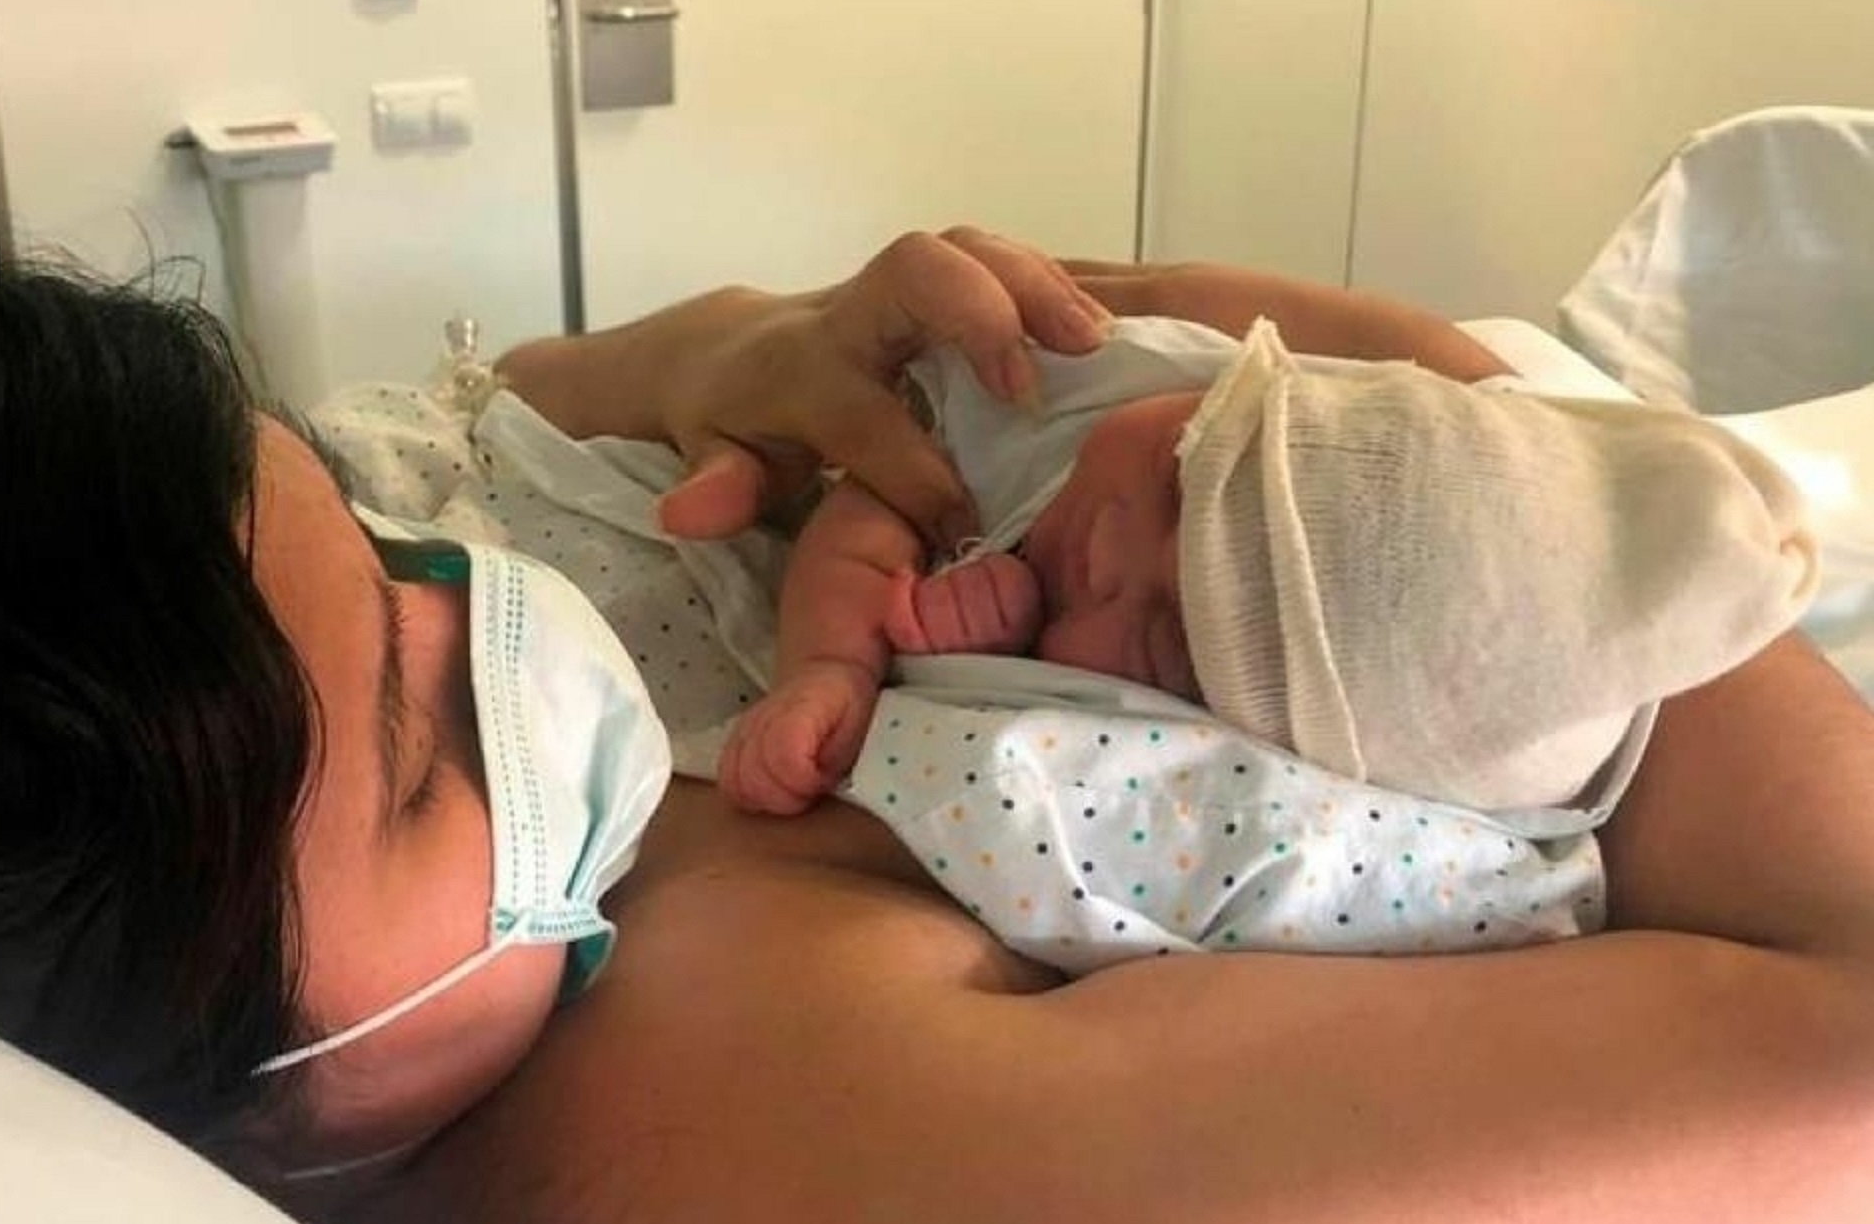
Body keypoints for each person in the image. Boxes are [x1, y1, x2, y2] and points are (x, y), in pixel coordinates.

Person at [0, 189, 1872, 1224]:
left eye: (382, 535)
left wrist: (733, 347)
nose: (490, 609)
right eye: (420, 747)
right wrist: (1456, 423)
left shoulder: (270, 765)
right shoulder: (781, 1171)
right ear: (199, 1071)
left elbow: (492, 401)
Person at [712, 311, 1818, 965]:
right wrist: (832, 659)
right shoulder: (1112, 392)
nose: (1107, 552)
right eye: (1175, 480)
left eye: (1160, 639)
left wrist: (955, 650)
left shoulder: (1133, 755)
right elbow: (885, 485)